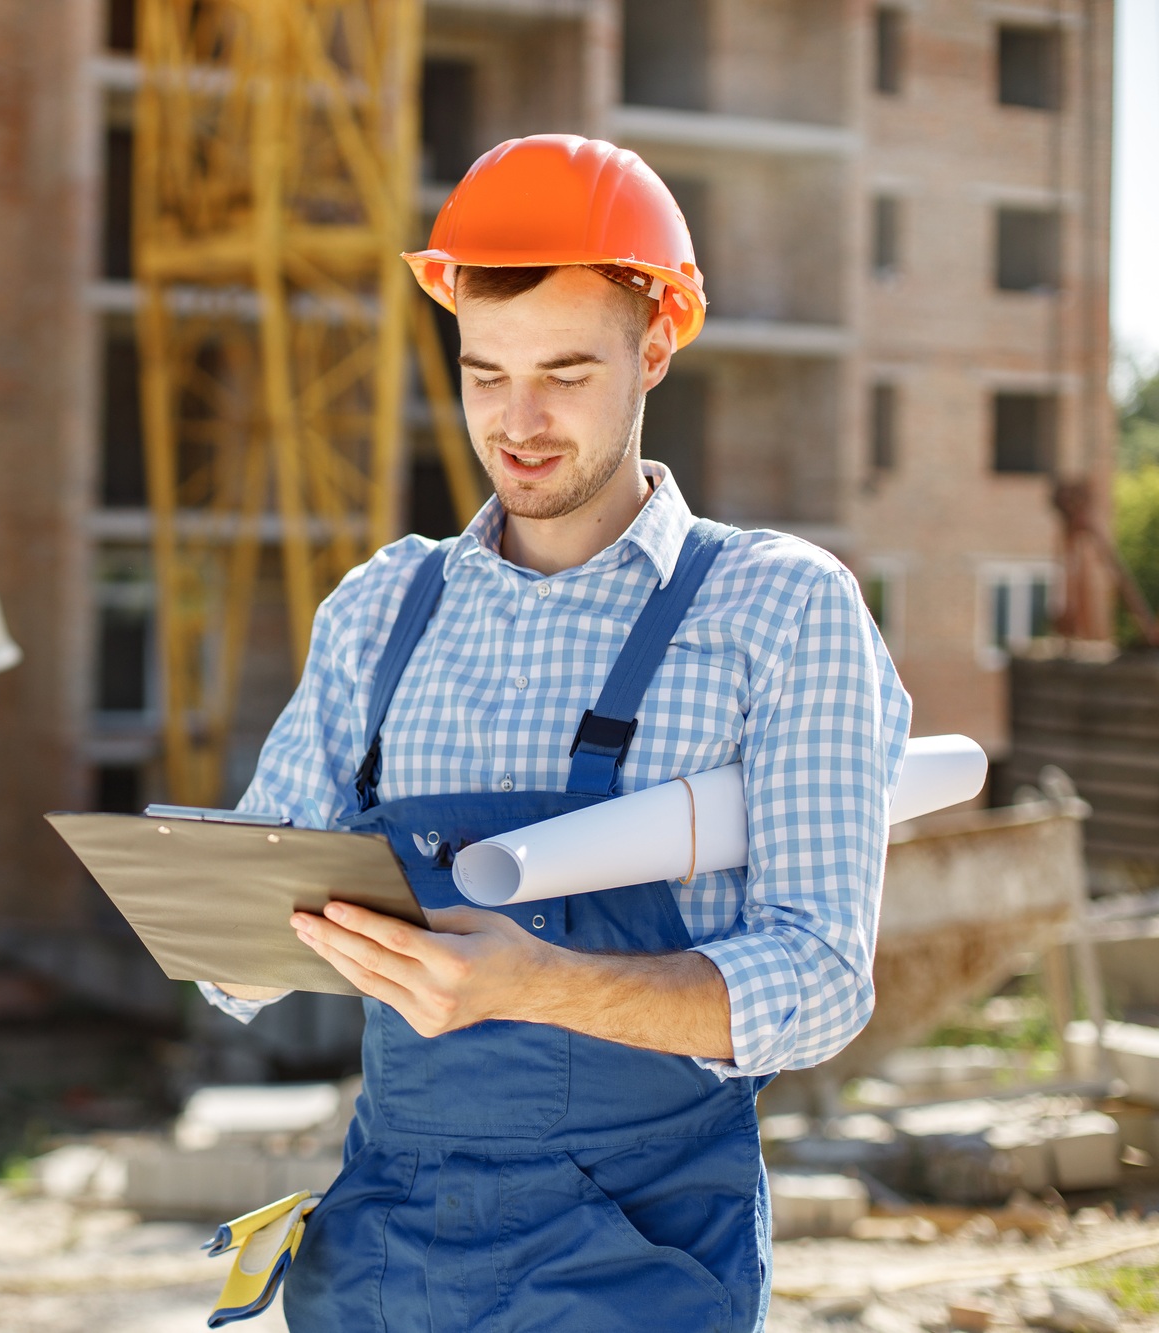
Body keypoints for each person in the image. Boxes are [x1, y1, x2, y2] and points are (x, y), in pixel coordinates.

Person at [201, 135, 911, 1330]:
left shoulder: (779, 608)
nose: (516, 423)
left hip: (634, 1245)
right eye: (484, 374)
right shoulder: (382, 608)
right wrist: (218, 921)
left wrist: (541, 984)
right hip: (390, 1234)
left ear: (655, 346)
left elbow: (820, 981)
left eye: (566, 375)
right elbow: (242, 941)